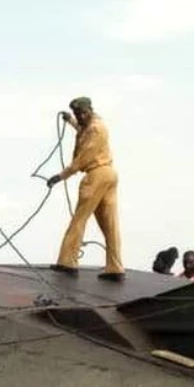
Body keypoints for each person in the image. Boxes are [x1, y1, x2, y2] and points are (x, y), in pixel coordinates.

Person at [47, 97, 124, 281]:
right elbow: (84, 130)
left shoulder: (95, 129)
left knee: (80, 218)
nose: (80, 117)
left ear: (89, 110)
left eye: (82, 113)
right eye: (77, 115)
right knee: (110, 224)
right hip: (109, 173)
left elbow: (83, 158)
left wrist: (61, 176)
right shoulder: (95, 124)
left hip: (96, 174)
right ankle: (115, 267)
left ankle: (67, 262)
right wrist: (71, 122)